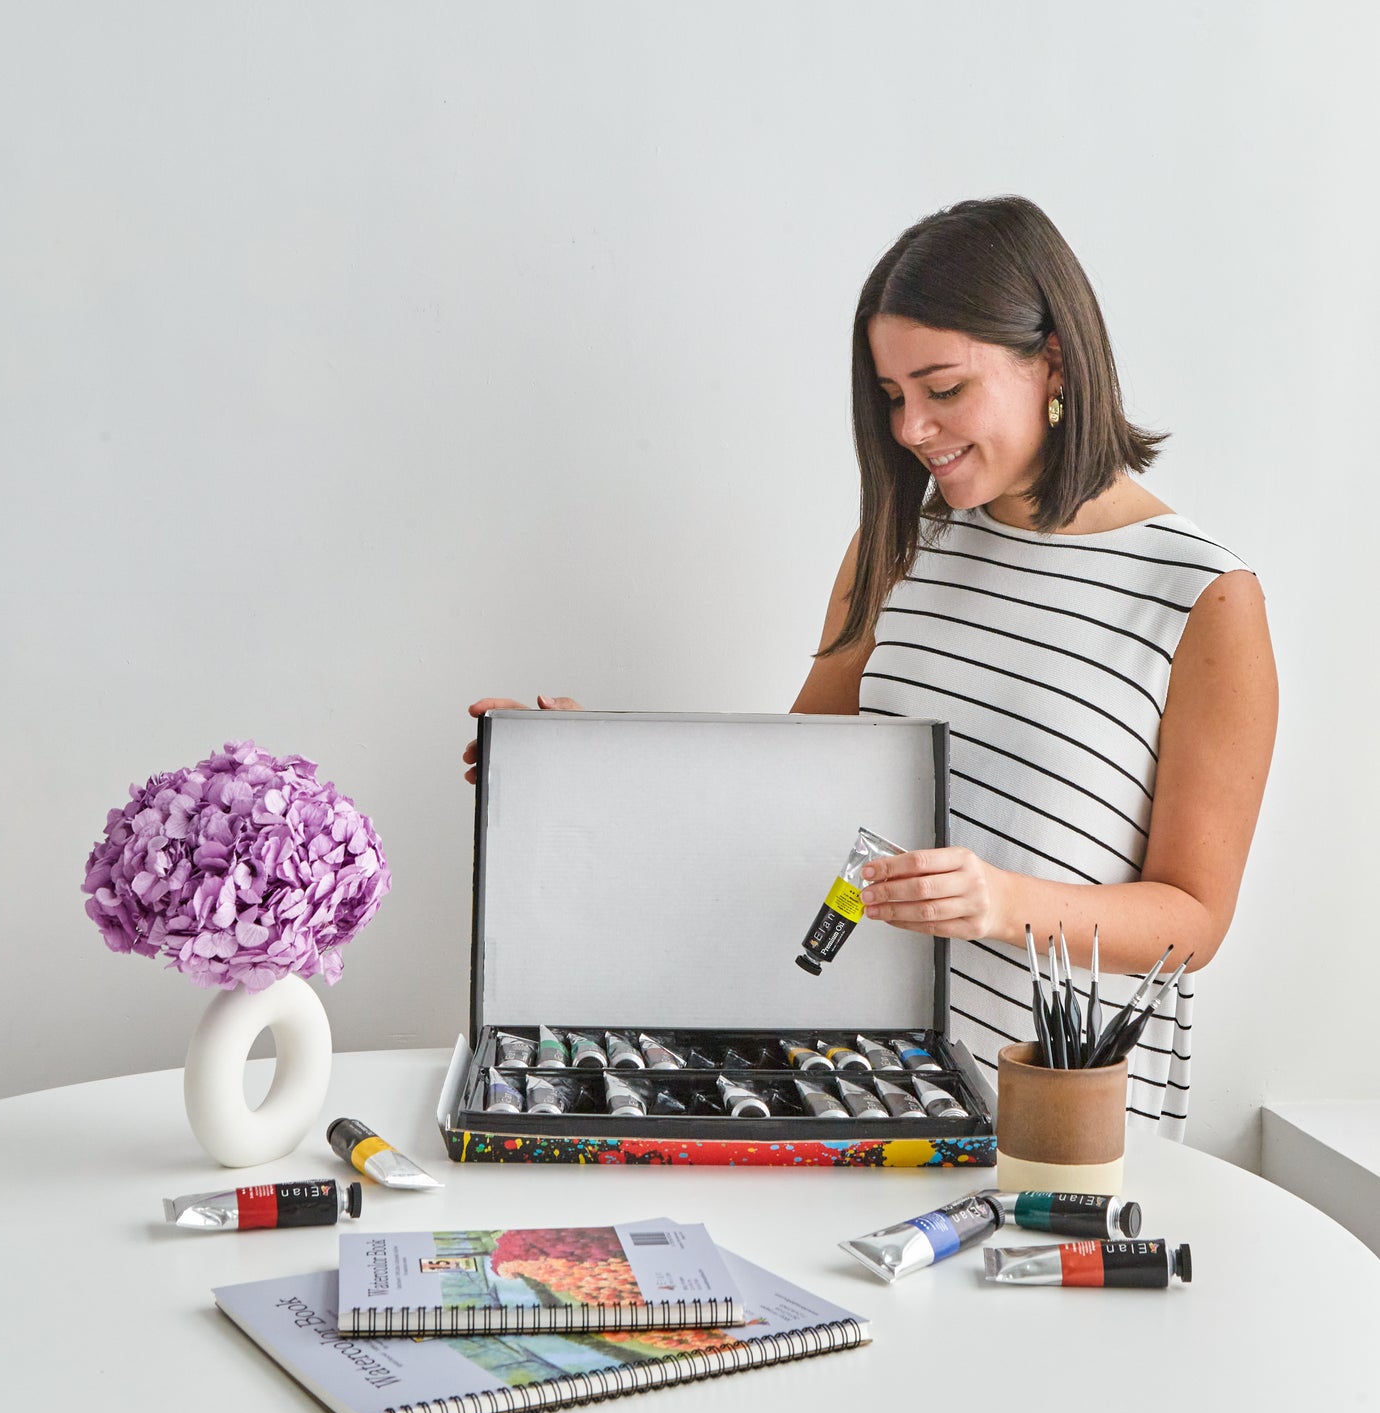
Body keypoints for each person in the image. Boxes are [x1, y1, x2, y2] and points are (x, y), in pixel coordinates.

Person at [464, 196, 1277, 1138]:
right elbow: (794, 780)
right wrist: (598, 764)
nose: (911, 430)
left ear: (1052, 359)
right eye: (893, 397)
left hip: (1062, 1115)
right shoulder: (898, 544)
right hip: (869, 1082)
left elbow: (1193, 920)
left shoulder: (1203, 595)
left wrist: (998, 902)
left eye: (943, 389)